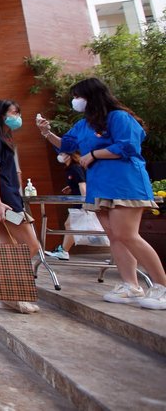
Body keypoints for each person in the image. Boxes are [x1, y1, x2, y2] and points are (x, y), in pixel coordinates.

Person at [37, 78, 166, 310]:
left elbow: (128, 146)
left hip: (124, 182)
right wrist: (46, 133)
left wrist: (95, 154)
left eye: (78, 96)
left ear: (92, 96)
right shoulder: (83, 124)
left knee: (127, 235)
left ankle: (161, 285)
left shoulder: (119, 117)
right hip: (100, 185)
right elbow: (67, 145)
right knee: (115, 236)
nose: (75, 101)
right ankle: (130, 286)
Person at [0, 99, 41, 314]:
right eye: (14, 113)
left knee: (8, 250)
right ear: (1, 115)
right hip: (5, 202)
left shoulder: (4, 139)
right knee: (31, 245)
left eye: (17, 112)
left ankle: (9, 296)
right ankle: (13, 294)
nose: (17, 117)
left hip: (6, 199)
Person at [43, 151, 86, 261]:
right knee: (69, 224)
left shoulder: (75, 168)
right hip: (78, 201)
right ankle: (64, 250)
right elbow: (78, 183)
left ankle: (64, 251)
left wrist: (85, 202)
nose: (60, 156)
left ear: (69, 155)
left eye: (62, 154)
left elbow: (83, 184)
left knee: (70, 225)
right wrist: (70, 187)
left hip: (81, 202)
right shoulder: (69, 169)